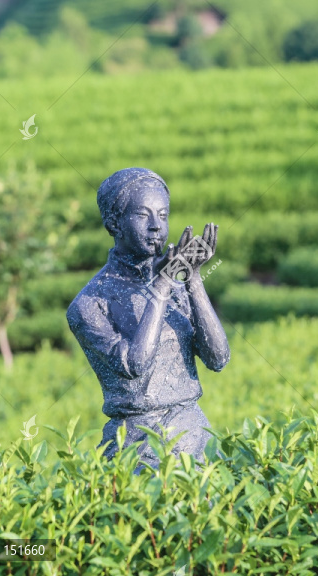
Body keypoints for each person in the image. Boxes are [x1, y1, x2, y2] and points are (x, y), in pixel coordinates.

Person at [66, 167, 231, 473]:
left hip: (194, 434)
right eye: (143, 215)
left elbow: (219, 358)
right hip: (137, 444)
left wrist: (192, 278)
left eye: (163, 215)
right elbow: (134, 365)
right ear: (114, 223)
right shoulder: (89, 304)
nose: (157, 226)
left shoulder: (176, 284)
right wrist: (163, 285)